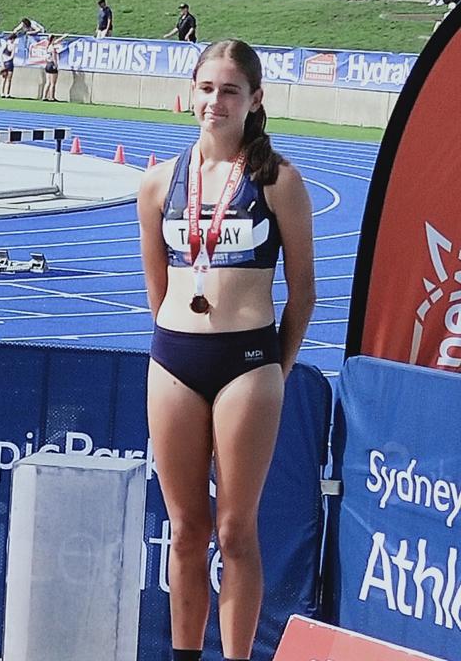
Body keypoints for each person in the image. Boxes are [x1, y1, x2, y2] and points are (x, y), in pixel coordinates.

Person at [136, 39, 315, 661]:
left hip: (247, 365)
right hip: (174, 361)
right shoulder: (159, 182)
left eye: (230, 90)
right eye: (207, 88)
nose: (215, 101)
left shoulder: (278, 181)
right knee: (186, 531)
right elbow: (157, 287)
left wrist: (274, 369)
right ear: (191, 92)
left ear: (255, 100)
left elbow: (304, 296)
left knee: (236, 532)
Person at [41, 34, 66, 101]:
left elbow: (57, 41)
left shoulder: (48, 47)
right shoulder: (53, 48)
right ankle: (52, 97)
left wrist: (63, 37)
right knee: (53, 83)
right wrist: (56, 65)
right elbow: (54, 57)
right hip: (52, 65)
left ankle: (44, 96)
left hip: (48, 64)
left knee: (48, 82)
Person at [0, 32, 18, 98]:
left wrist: (7, 60)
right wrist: (2, 64)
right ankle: (2, 93)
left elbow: (12, 56)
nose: (13, 40)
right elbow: (1, 54)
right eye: (13, 39)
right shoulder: (6, 44)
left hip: (10, 63)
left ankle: (7, 93)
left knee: (9, 79)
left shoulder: (14, 45)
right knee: (4, 78)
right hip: (5, 63)